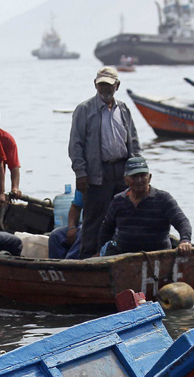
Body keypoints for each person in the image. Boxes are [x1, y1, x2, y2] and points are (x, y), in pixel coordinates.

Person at [68, 66, 141, 258]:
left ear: (117, 86)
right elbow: (75, 145)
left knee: (125, 214)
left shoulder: (123, 108)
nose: (105, 89)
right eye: (101, 85)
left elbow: (133, 141)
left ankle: (122, 256)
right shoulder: (84, 110)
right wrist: (81, 173)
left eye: (109, 85)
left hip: (122, 170)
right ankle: (86, 260)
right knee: (94, 218)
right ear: (95, 85)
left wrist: (137, 170)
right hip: (97, 172)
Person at [98, 156, 192, 256]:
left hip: (159, 257)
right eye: (134, 176)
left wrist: (185, 241)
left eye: (142, 176)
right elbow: (106, 230)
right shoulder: (118, 200)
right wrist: (99, 252)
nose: (139, 180)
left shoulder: (164, 199)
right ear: (125, 180)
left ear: (149, 177)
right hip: (123, 257)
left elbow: (182, 222)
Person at [47, 193, 83, 259]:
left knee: (83, 232)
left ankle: (69, 264)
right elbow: (75, 207)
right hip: (85, 223)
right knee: (56, 235)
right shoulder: (83, 186)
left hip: (99, 226)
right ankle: (55, 266)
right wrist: (72, 227)